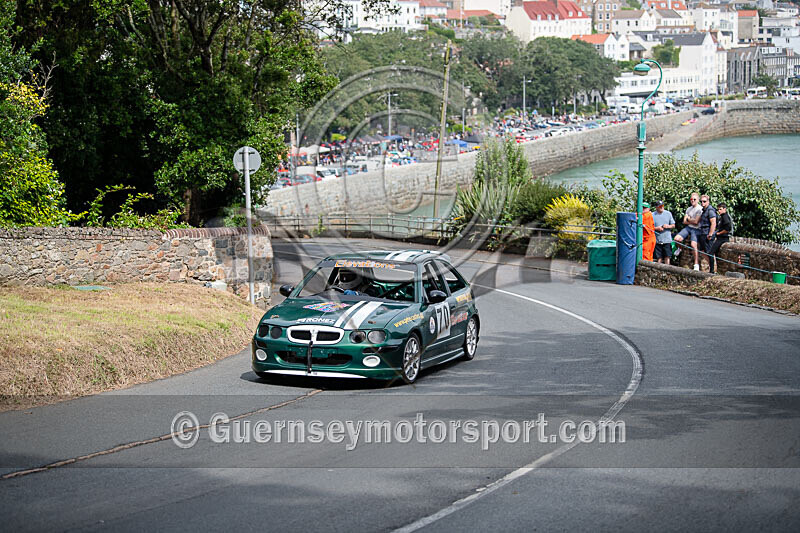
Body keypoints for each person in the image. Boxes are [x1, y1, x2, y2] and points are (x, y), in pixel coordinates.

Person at [674, 192, 702, 270]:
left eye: (694, 199)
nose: (692, 200)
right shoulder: (689, 209)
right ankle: (680, 248)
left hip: (696, 229)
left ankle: (696, 264)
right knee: (676, 239)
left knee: (693, 245)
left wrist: (689, 219)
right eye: (691, 199)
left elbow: (696, 222)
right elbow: (684, 221)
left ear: (698, 200)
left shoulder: (700, 209)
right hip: (689, 228)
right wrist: (691, 220)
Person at [708, 203, 732, 273]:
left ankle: (711, 271)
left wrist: (719, 233)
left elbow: (728, 228)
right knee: (716, 254)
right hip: (720, 238)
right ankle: (716, 270)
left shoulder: (725, 217)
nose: (719, 211)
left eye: (720, 209)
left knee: (711, 253)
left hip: (723, 238)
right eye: (718, 209)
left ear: (725, 209)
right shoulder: (722, 217)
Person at [651, 200, 676, 265]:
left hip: (667, 240)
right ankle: (659, 271)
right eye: (660, 206)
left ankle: (667, 270)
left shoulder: (668, 213)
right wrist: (657, 228)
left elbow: (673, 225)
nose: (661, 207)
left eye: (662, 205)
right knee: (659, 257)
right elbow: (649, 228)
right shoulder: (652, 215)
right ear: (656, 207)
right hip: (657, 240)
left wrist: (668, 226)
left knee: (667, 256)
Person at [697, 194, 717, 272]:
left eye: (704, 201)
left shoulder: (710, 210)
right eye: (701, 201)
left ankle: (712, 270)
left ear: (708, 201)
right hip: (703, 233)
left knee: (710, 252)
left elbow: (713, 223)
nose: (702, 203)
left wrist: (710, 234)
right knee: (703, 251)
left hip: (707, 234)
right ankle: (711, 268)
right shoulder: (704, 210)